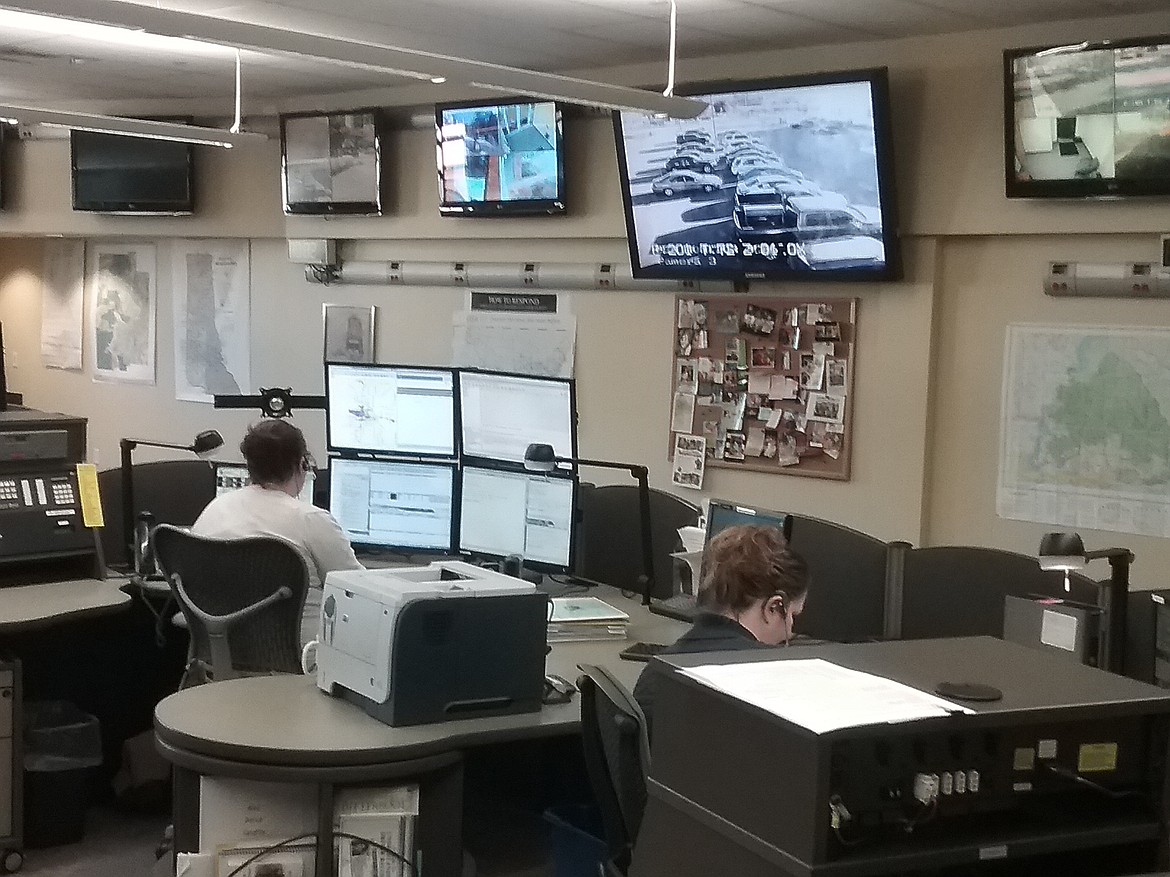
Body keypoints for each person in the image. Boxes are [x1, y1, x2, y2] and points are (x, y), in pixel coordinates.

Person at [192, 419, 362, 646]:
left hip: (222, 657)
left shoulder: (214, 509)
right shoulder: (311, 519)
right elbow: (360, 591)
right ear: (302, 464)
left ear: (249, 466)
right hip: (302, 661)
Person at [633, 524, 809, 737]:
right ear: (773, 607)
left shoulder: (658, 668)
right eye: (793, 615)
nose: (790, 631)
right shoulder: (762, 687)